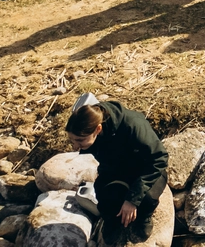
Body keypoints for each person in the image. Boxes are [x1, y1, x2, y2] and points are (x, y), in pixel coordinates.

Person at [66, 96, 168, 245]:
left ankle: (143, 217)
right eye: (72, 140)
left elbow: (159, 159)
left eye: (80, 140)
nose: (75, 147)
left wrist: (132, 200)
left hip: (147, 169)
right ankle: (112, 222)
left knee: (146, 198)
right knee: (104, 193)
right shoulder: (94, 128)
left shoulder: (133, 125)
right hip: (118, 169)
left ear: (98, 129)